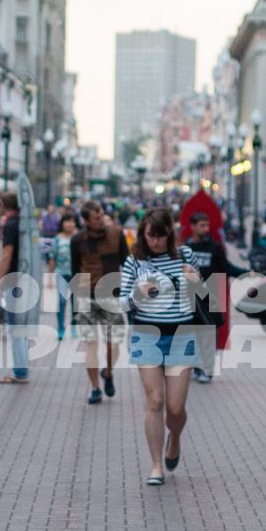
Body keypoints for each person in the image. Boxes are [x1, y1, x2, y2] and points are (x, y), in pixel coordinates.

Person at [120, 207, 208, 486]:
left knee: (175, 408)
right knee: (154, 401)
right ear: (143, 234)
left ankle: (176, 438)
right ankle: (156, 465)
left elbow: (204, 295)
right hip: (146, 334)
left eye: (160, 235)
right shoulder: (134, 261)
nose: (155, 241)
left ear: (169, 233)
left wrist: (196, 280)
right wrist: (137, 294)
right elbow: (121, 302)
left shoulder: (185, 255)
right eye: (150, 235)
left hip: (181, 334)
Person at [70, 200, 130, 405]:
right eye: (96, 217)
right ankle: (95, 388)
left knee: (114, 343)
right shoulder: (78, 240)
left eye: (102, 214)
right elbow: (74, 270)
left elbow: (127, 263)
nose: (101, 219)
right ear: (86, 220)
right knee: (90, 344)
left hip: (112, 294)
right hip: (87, 295)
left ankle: (109, 372)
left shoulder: (116, 233)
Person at [185, 209, 231, 384]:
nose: (206, 229)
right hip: (191, 296)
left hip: (210, 295)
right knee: (193, 333)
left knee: (210, 333)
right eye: (202, 225)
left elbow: (226, 268)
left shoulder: (215, 247)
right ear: (193, 226)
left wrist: (248, 272)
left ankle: (208, 370)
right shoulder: (186, 248)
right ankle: (197, 367)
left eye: (207, 225)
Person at [0, 192, 31, 385]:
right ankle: (22, 367)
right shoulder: (25, 224)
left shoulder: (10, 224)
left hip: (12, 279)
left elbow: (7, 255)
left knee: (15, 326)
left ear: (4, 205)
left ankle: (20, 371)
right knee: (21, 325)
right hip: (26, 277)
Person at [51, 213, 77, 340]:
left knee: (76, 302)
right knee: (62, 301)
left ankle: (74, 324)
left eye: (72, 221)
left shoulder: (79, 237)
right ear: (62, 223)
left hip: (77, 274)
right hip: (61, 273)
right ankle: (60, 327)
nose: (69, 224)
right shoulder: (57, 239)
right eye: (67, 221)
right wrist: (49, 277)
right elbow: (52, 258)